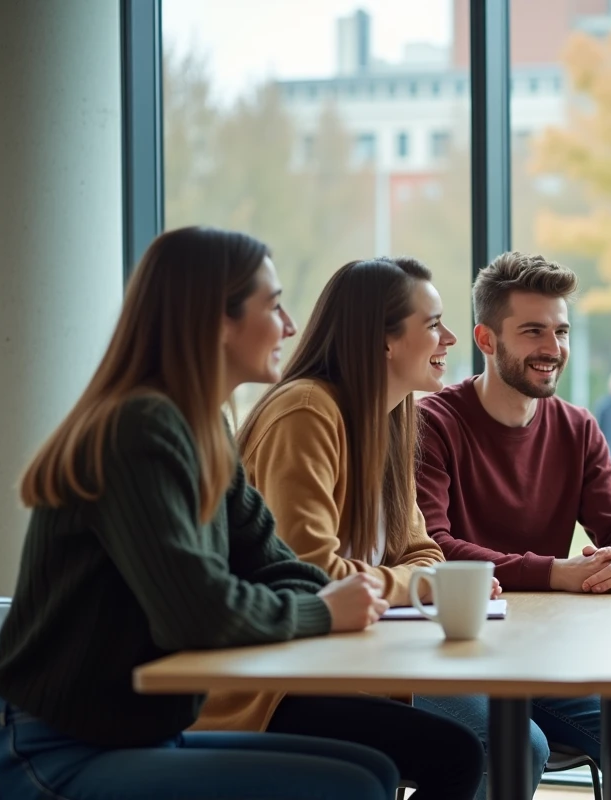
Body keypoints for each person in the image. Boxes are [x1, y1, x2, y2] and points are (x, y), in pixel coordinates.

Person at [0, 227, 400, 799]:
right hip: (51, 748)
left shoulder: (205, 432)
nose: (291, 326)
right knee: (351, 788)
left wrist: (340, 600)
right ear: (216, 321)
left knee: (373, 774)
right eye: (273, 305)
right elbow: (195, 613)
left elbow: (274, 563)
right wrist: (324, 613)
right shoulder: (139, 428)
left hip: (138, 734)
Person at [192, 257, 488, 799]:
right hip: (271, 687)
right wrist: (408, 583)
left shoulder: (392, 421)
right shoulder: (307, 412)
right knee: (457, 754)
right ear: (384, 342)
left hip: (338, 667)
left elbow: (425, 554)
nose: (449, 337)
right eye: (433, 324)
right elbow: (314, 573)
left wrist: (401, 581)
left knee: (460, 750)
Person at [413, 251, 611, 800]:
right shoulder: (433, 422)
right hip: (446, 655)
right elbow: (433, 548)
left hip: (542, 657)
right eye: (533, 331)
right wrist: (555, 573)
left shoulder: (578, 428)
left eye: (560, 331)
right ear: (486, 340)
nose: (553, 348)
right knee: (517, 750)